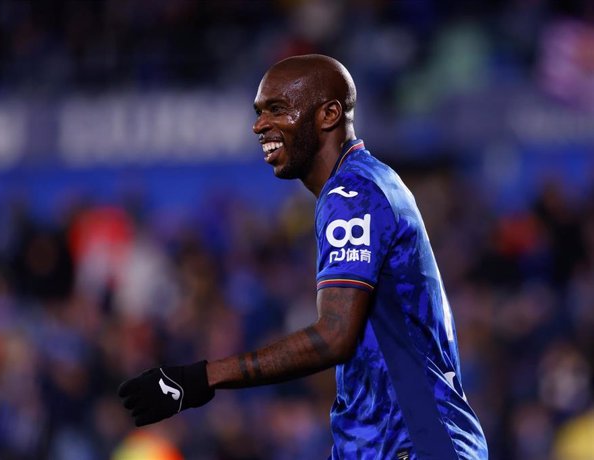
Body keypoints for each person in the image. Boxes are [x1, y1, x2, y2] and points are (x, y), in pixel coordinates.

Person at [118, 54, 489, 459]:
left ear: (329, 114)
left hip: (413, 444)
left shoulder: (352, 194)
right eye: (259, 112)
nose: (260, 125)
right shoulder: (368, 183)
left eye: (277, 109)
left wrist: (200, 379)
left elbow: (334, 336)